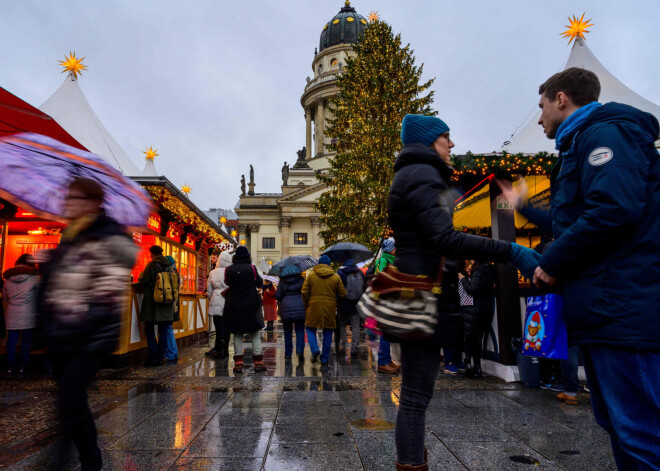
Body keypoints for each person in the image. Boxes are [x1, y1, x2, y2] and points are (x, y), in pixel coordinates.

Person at [497, 67, 660, 470]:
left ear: (561, 99)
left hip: (623, 308)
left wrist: (551, 262)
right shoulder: (584, 143)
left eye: (541, 107)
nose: (538, 118)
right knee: (621, 427)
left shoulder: (605, 135)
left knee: (640, 431)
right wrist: (524, 209)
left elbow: (613, 211)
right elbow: (579, 220)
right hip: (606, 309)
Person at [388, 114, 539, 470]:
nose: (452, 144)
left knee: (413, 393)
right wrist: (510, 250)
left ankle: (410, 461)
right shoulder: (423, 174)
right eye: (446, 137)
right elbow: (444, 239)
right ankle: (411, 464)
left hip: (413, 291)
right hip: (423, 293)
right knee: (415, 396)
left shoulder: (410, 174)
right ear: (429, 142)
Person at [38, 177, 137, 471]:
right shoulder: (71, 236)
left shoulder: (108, 238)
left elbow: (105, 292)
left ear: (93, 202)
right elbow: (61, 285)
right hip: (64, 333)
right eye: (67, 197)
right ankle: (92, 461)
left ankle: (59, 464)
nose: (67, 203)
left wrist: (78, 322)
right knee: (75, 404)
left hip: (89, 335)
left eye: (75, 198)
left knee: (68, 404)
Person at [224, 246, 266, 373]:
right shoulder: (252, 268)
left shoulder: (229, 269)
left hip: (234, 304)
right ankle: (258, 363)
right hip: (251, 304)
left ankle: (238, 364)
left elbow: (226, 282)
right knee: (255, 332)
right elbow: (259, 282)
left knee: (237, 333)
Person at [302, 254, 346, 365]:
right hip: (330, 307)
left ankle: (315, 349)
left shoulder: (311, 276)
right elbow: (342, 293)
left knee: (310, 328)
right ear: (329, 265)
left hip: (313, 305)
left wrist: (307, 304)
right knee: (328, 331)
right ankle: (325, 358)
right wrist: (337, 303)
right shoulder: (336, 277)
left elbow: (304, 292)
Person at [136, 245, 176, 367]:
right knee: (163, 330)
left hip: (153, 301)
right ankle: (160, 356)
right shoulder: (169, 265)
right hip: (166, 301)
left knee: (149, 328)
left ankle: (153, 354)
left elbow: (143, 279)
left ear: (152, 254)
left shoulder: (151, 265)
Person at [459, 260, 496, 379]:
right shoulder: (489, 270)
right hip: (485, 308)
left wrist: (463, 279)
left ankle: (468, 364)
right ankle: (477, 367)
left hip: (474, 309)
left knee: (470, 338)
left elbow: (472, 290)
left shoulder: (479, 272)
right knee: (477, 339)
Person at [2, 254, 39, 374]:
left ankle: (10, 365)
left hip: (12, 312)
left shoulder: (8, 279)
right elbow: (37, 296)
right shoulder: (34, 278)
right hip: (29, 311)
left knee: (12, 340)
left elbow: (5, 298)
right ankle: (23, 365)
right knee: (26, 340)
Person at [373, 239, 401, 374]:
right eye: (395, 247)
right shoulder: (384, 260)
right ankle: (383, 362)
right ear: (391, 249)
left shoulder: (389, 260)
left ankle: (386, 360)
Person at [275, 265, 307, 361]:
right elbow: (306, 292)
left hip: (286, 308)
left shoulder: (283, 281)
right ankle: (300, 350)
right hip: (300, 308)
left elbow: (277, 295)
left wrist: (284, 299)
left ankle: (288, 353)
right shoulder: (301, 280)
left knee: (287, 331)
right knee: (300, 330)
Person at [337, 258, 365, 359]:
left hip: (344, 303)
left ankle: (343, 346)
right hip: (357, 304)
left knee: (342, 325)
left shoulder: (340, 272)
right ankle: (354, 349)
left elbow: (338, 288)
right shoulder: (360, 273)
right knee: (356, 327)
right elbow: (364, 287)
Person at [207, 251, 232, 359]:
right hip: (228, 301)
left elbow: (209, 291)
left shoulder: (213, 272)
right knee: (227, 328)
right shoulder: (230, 271)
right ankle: (225, 350)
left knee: (218, 328)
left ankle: (219, 349)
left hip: (216, 299)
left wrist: (212, 298)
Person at [162, 255, 179, 364]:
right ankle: (173, 352)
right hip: (174, 303)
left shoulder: (171, 273)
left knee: (167, 328)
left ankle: (171, 353)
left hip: (169, 303)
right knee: (169, 327)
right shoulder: (175, 272)